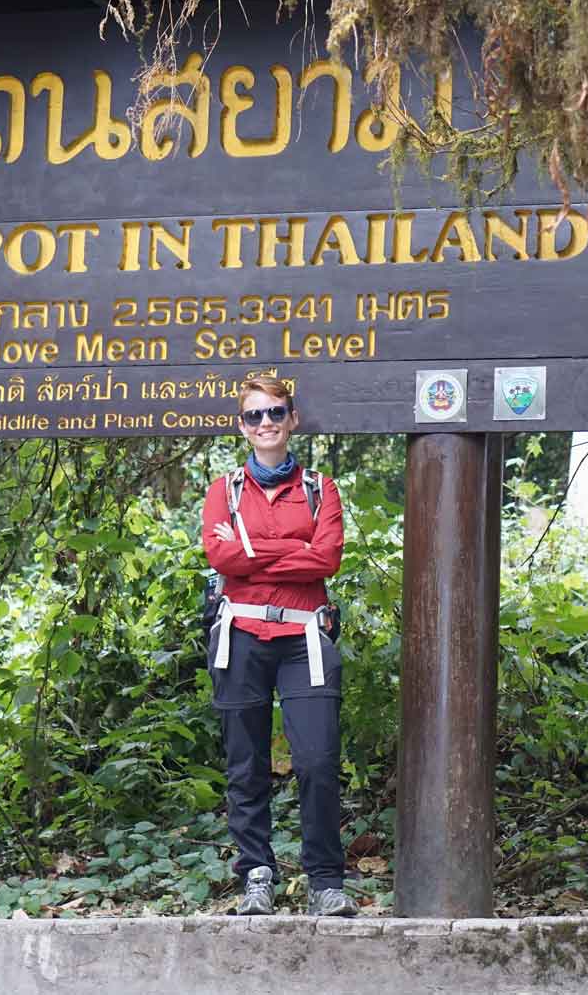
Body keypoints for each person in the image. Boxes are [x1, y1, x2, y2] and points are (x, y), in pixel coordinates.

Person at [201, 376, 357, 917]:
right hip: (241, 636)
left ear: (292, 419)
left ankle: (325, 881)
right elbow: (223, 560)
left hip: (305, 638)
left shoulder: (321, 488)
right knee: (246, 764)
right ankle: (257, 877)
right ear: (242, 425)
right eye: (254, 416)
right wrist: (293, 547)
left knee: (316, 760)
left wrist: (255, 550)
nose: (265, 423)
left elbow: (327, 558)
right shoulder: (224, 490)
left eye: (275, 413)